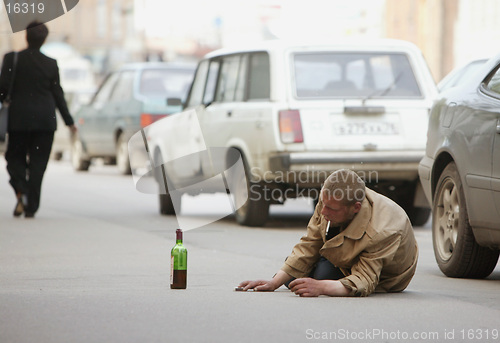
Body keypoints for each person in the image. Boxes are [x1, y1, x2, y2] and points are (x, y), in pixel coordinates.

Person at [238, 169, 418, 297]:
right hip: (347, 249)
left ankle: (320, 270)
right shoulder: (330, 199)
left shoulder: (384, 231)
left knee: (320, 278)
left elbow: (365, 280)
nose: (323, 211)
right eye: (322, 204)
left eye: (331, 209)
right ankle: (318, 268)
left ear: (356, 207)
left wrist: (320, 287)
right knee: (293, 276)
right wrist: (273, 283)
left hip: (385, 274)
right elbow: (309, 243)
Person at [0, 21, 76, 218]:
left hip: (18, 121)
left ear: (26, 36)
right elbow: (58, 94)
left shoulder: (11, 59)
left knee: (14, 158)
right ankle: (31, 206)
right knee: (38, 164)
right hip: (45, 121)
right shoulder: (51, 64)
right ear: (44, 40)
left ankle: (21, 189)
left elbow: (2, 90)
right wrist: (69, 122)